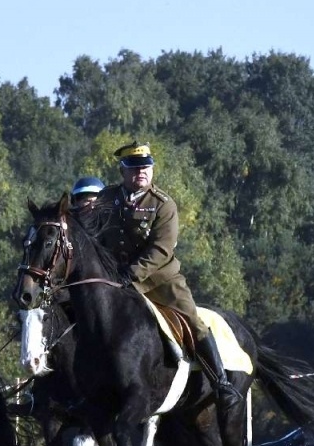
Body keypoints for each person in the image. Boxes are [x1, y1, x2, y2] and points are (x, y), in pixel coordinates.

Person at [95, 142, 240, 413]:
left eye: (146, 168)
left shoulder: (163, 204)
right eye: (135, 168)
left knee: (192, 321)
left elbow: (161, 250)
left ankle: (222, 384)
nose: (141, 172)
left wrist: (131, 274)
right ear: (122, 171)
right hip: (113, 279)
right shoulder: (106, 198)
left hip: (159, 281)